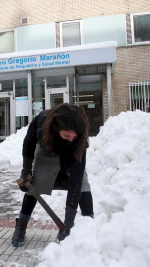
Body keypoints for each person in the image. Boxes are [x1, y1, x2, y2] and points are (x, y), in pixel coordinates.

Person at [12, 103, 94, 247]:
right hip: (47, 151)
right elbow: (29, 144)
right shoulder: (42, 122)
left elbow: (76, 179)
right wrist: (26, 170)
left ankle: (92, 229)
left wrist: (68, 225)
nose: (70, 138)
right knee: (34, 187)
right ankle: (20, 227)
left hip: (71, 154)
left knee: (82, 185)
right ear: (57, 128)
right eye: (67, 135)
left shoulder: (79, 137)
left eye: (74, 136)